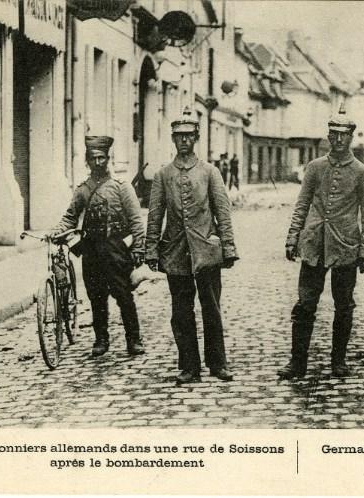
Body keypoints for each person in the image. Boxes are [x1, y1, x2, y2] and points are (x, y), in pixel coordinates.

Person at [279, 104, 364, 379]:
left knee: (343, 304)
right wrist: (292, 238)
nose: (337, 139)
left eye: (343, 134)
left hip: (345, 246)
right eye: (333, 134)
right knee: (305, 304)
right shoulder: (315, 167)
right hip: (314, 244)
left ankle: (339, 361)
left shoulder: (362, 173)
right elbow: (302, 205)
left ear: (352, 137)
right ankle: (297, 362)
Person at [145, 108, 239, 385]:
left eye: (189, 136)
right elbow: (155, 215)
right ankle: (188, 366)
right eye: (179, 136)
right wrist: (151, 249)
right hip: (175, 253)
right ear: (173, 139)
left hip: (206, 251)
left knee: (211, 307)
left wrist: (229, 247)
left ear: (196, 138)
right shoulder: (163, 175)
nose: (184, 141)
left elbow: (223, 211)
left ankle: (218, 363)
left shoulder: (210, 172)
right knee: (181, 311)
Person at [52, 136, 146, 357]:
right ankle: (101, 339)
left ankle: (133, 339)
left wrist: (138, 249)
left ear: (108, 159)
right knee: (96, 296)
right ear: (87, 161)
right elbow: (70, 217)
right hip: (91, 250)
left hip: (116, 250)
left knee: (123, 295)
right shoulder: (83, 190)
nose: (98, 162)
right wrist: (57, 231)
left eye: (102, 157)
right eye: (93, 158)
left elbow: (135, 221)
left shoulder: (121, 187)